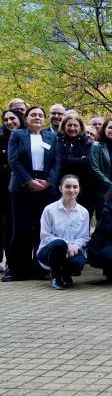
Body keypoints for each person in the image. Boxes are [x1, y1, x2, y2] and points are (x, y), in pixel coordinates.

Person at [4, 106, 61, 282]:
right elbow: (13, 160)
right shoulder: (17, 135)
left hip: (45, 188)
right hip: (22, 188)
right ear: (26, 118)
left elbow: (57, 162)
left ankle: (39, 268)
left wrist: (48, 182)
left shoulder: (52, 136)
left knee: (42, 230)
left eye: (40, 115)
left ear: (44, 119)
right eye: (33, 115)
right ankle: (17, 270)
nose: (37, 117)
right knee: (21, 230)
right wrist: (29, 181)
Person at [36, 175, 89, 290]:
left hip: (72, 250)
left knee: (78, 264)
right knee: (59, 244)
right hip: (49, 251)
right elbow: (45, 235)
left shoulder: (84, 212)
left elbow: (83, 237)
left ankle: (65, 274)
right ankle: (55, 276)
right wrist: (67, 244)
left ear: (79, 189)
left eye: (75, 187)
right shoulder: (49, 210)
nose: (72, 190)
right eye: (68, 186)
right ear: (60, 188)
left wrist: (74, 246)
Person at [1, 109, 24, 273]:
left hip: (23, 188)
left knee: (21, 227)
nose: (9, 122)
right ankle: (11, 263)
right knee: (7, 227)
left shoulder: (28, 137)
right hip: (3, 190)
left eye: (12, 118)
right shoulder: (1, 139)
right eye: (6, 119)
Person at [54, 114, 93, 212]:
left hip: (82, 186)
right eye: (69, 125)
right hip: (60, 185)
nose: (72, 128)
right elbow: (58, 160)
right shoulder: (56, 141)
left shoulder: (87, 143)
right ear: (64, 126)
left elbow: (87, 162)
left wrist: (66, 160)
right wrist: (79, 160)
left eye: (75, 125)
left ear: (80, 128)